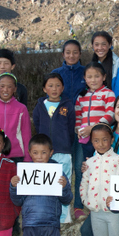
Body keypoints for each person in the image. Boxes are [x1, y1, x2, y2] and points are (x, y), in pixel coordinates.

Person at [51, 40, 88, 222]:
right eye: (68, 52)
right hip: (62, 128)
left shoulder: (86, 73)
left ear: (80, 54)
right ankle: (59, 204)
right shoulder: (56, 74)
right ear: (63, 54)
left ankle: (79, 206)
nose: (71, 56)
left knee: (80, 166)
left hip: (82, 127)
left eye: (75, 52)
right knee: (62, 167)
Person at [33, 73, 76, 223]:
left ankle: (64, 215)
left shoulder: (68, 105)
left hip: (63, 151)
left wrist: (65, 143)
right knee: (46, 182)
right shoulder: (40, 106)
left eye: (58, 85)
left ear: (63, 88)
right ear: (44, 88)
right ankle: (48, 212)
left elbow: (71, 129)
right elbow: (37, 126)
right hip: (44, 154)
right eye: (50, 85)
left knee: (63, 181)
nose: (54, 88)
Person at [0, 72, 32, 162]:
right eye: (2, 86)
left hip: (16, 155)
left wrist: (28, 158)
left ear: (15, 89)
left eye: (9, 86)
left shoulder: (21, 108)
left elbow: (26, 135)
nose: (5, 90)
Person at [74, 62, 116, 159]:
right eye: (89, 77)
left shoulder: (109, 94)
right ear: (85, 78)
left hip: (102, 136)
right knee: (88, 163)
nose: (93, 80)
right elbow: (78, 115)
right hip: (86, 137)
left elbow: (110, 114)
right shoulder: (81, 96)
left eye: (97, 76)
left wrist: (93, 127)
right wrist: (78, 130)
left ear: (104, 77)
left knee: (103, 161)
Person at [92, 31, 119, 96]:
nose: (100, 48)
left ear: (110, 45)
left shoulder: (118, 64)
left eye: (103, 44)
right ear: (92, 46)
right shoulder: (92, 64)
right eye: (96, 44)